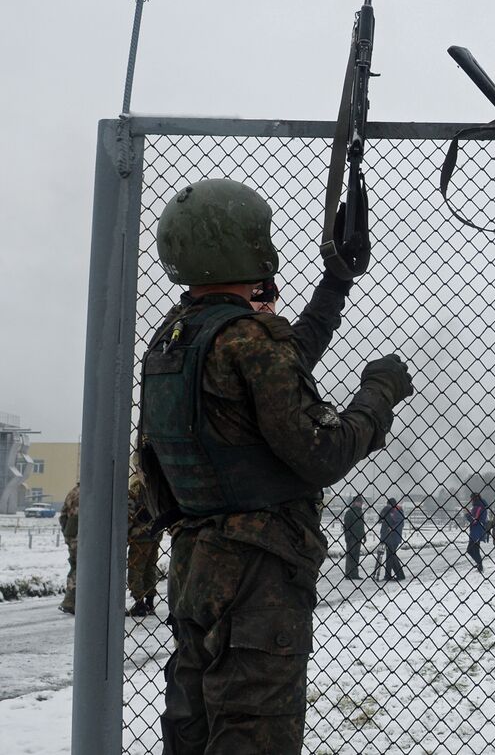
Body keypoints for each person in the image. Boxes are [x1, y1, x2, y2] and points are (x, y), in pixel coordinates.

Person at [136, 178, 414, 755]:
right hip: (257, 568)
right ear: (247, 245)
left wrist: (335, 282)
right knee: (253, 732)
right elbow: (322, 451)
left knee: (193, 723)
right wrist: (377, 395)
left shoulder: (177, 337)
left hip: (197, 562)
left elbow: (279, 369)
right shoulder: (247, 338)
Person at [127, 475, 162, 617]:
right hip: (155, 535)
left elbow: (128, 517)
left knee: (136, 569)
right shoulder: (152, 492)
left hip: (140, 538)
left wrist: (128, 534)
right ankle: (150, 602)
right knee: (150, 568)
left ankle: (139, 604)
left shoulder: (133, 494)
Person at [58, 482, 79, 615]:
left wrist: (67, 532)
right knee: (84, 568)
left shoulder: (73, 492)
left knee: (75, 565)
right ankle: (73, 600)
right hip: (88, 536)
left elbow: (63, 516)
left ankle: (70, 599)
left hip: (72, 534)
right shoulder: (95, 493)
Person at [379, 497, 406, 582]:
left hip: (394, 537)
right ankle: (391, 575)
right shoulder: (390, 511)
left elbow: (399, 524)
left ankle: (398, 575)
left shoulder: (397, 512)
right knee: (390, 556)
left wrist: (392, 528)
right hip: (389, 537)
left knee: (391, 556)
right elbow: (382, 520)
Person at [342, 494, 367, 580]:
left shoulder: (360, 512)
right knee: (350, 556)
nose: (361, 504)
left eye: (361, 502)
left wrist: (364, 535)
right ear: (355, 502)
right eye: (359, 502)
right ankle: (348, 574)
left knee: (356, 556)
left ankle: (355, 574)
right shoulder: (349, 512)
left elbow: (361, 525)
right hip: (352, 538)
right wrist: (348, 537)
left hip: (358, 537)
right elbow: (346, 526)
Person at [465, 492, 489, 573]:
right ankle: (480, 567)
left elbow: (474, 520)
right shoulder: (482, 506)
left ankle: (480, 565)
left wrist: (467, 515)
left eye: (471, 499)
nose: (471, 501)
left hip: (476, 531)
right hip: (479, 531)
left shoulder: (478, 507)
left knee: (470, 550)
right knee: (476, 549)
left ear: (474, 499)